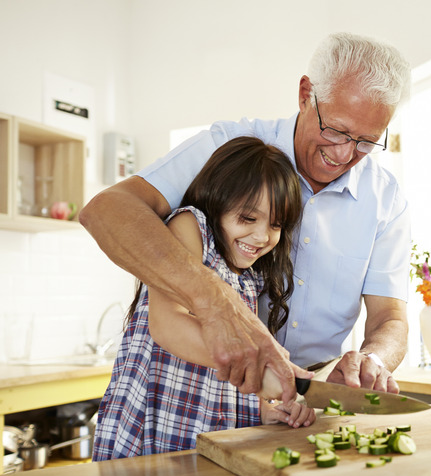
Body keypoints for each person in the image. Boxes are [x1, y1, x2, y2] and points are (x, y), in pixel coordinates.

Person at [80, 33, 412, 405]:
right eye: (335, 129)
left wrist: (372, 361)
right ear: (306, 95)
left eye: (366, 141)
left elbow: (390, 319)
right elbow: (107, 210)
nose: (344, 152)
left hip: (294, 402)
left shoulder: (386, 199)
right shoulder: (231, 149)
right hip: (193, 395)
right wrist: (217, 304)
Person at [93, 136, 317, 460]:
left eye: (276, 225)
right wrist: (263, 367)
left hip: (206, 448)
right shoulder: (190, 228)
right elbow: (168, 326)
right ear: (218, 202)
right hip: (150, 441)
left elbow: (227, 383)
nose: (262, 236)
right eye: (248, 218)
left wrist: (266, 411)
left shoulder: (251, 279)